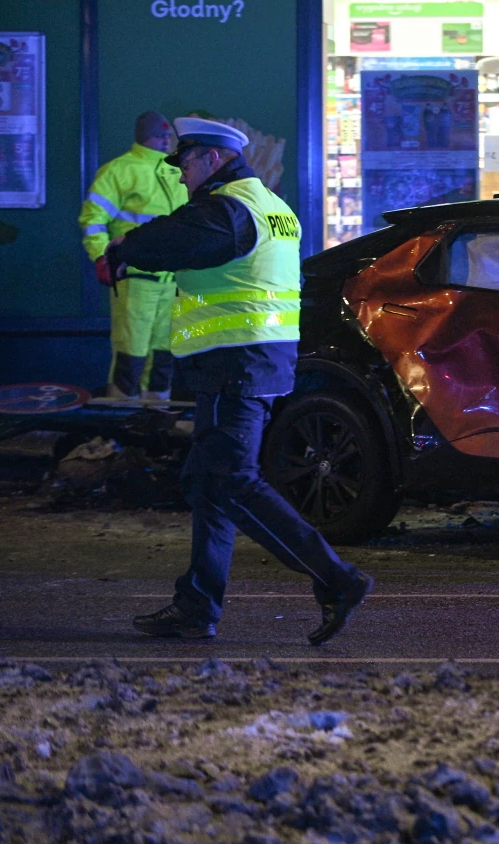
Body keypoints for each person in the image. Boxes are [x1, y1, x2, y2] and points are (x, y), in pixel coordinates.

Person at [104, 117, 373, 644]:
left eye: (184, 163)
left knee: (233, 481)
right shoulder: (269, 205)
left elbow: (167, 240)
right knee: (207, 482)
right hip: (253, 363)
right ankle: (196, 606)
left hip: (237, 366)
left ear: (213, 157)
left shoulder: (227, 208)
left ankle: (337, 578)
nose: (181, 175)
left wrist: (121, 249)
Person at [78, 112, 187, 399]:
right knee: (131, 353)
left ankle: (156, 421)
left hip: (173, 279)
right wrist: (102, 257)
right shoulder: (118, 171)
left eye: (168, 136)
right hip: (135, 278)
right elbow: (92, 218)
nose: (166, 141)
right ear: (144, 136)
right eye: (159, 135)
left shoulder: (177, 171)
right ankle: (124, 424)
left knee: (164, 354)